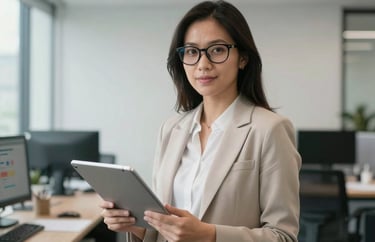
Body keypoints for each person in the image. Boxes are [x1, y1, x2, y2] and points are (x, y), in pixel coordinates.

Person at [100, 1, 301, 241]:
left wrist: (210, 235)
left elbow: (283, 236)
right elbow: (163, 230)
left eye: (217, 50)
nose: (202, 64)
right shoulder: (172, 129)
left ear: (243, 58)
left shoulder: (269, 129)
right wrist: (136, 226)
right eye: (192, 52)